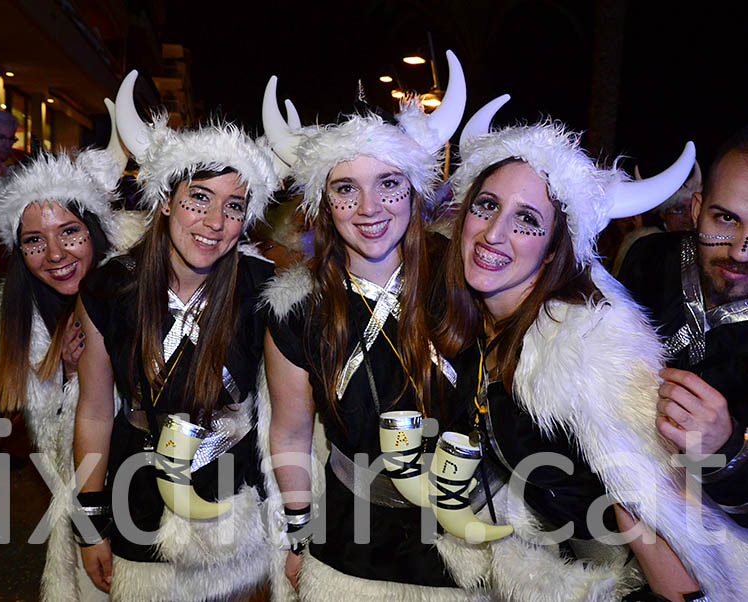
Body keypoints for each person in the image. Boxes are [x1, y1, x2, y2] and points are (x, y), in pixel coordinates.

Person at [431, 102, 748, 600]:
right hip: (537, 573)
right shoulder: (472, 322)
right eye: (487, 205)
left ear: (556, 248)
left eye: (528, 219)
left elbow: (644, 501)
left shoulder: (580, 347)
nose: (494, 233)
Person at [261, 52, 497, 600]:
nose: (368, 208)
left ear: (414, 192)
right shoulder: (296, 309)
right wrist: (298, 533)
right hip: (350, 544)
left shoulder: (466, 281)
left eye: (388, 184)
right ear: (324, 202)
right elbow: (291, 431)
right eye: (346, 189)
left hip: (464, 544)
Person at [72, 70, 280, 602]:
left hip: (235, 505)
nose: (215, 221)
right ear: (165, 200)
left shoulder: (265, 290)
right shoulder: (110, 287)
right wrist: (90, 522)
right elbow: (95, 411)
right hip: (136, 495)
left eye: (234, 206)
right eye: (199, 198)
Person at [0, 100, 142, 601]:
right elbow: (53, 453)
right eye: (34, 241)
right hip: (92, 518)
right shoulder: (25, 324)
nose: (54, 255)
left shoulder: (141, 292)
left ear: (92, 229)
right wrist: (72, 378)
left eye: (69, 232)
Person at [618, 126, 748, 529]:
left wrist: (726, 448)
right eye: (726, 218)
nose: (740, 249)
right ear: (695, 210)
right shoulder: (648, 259)